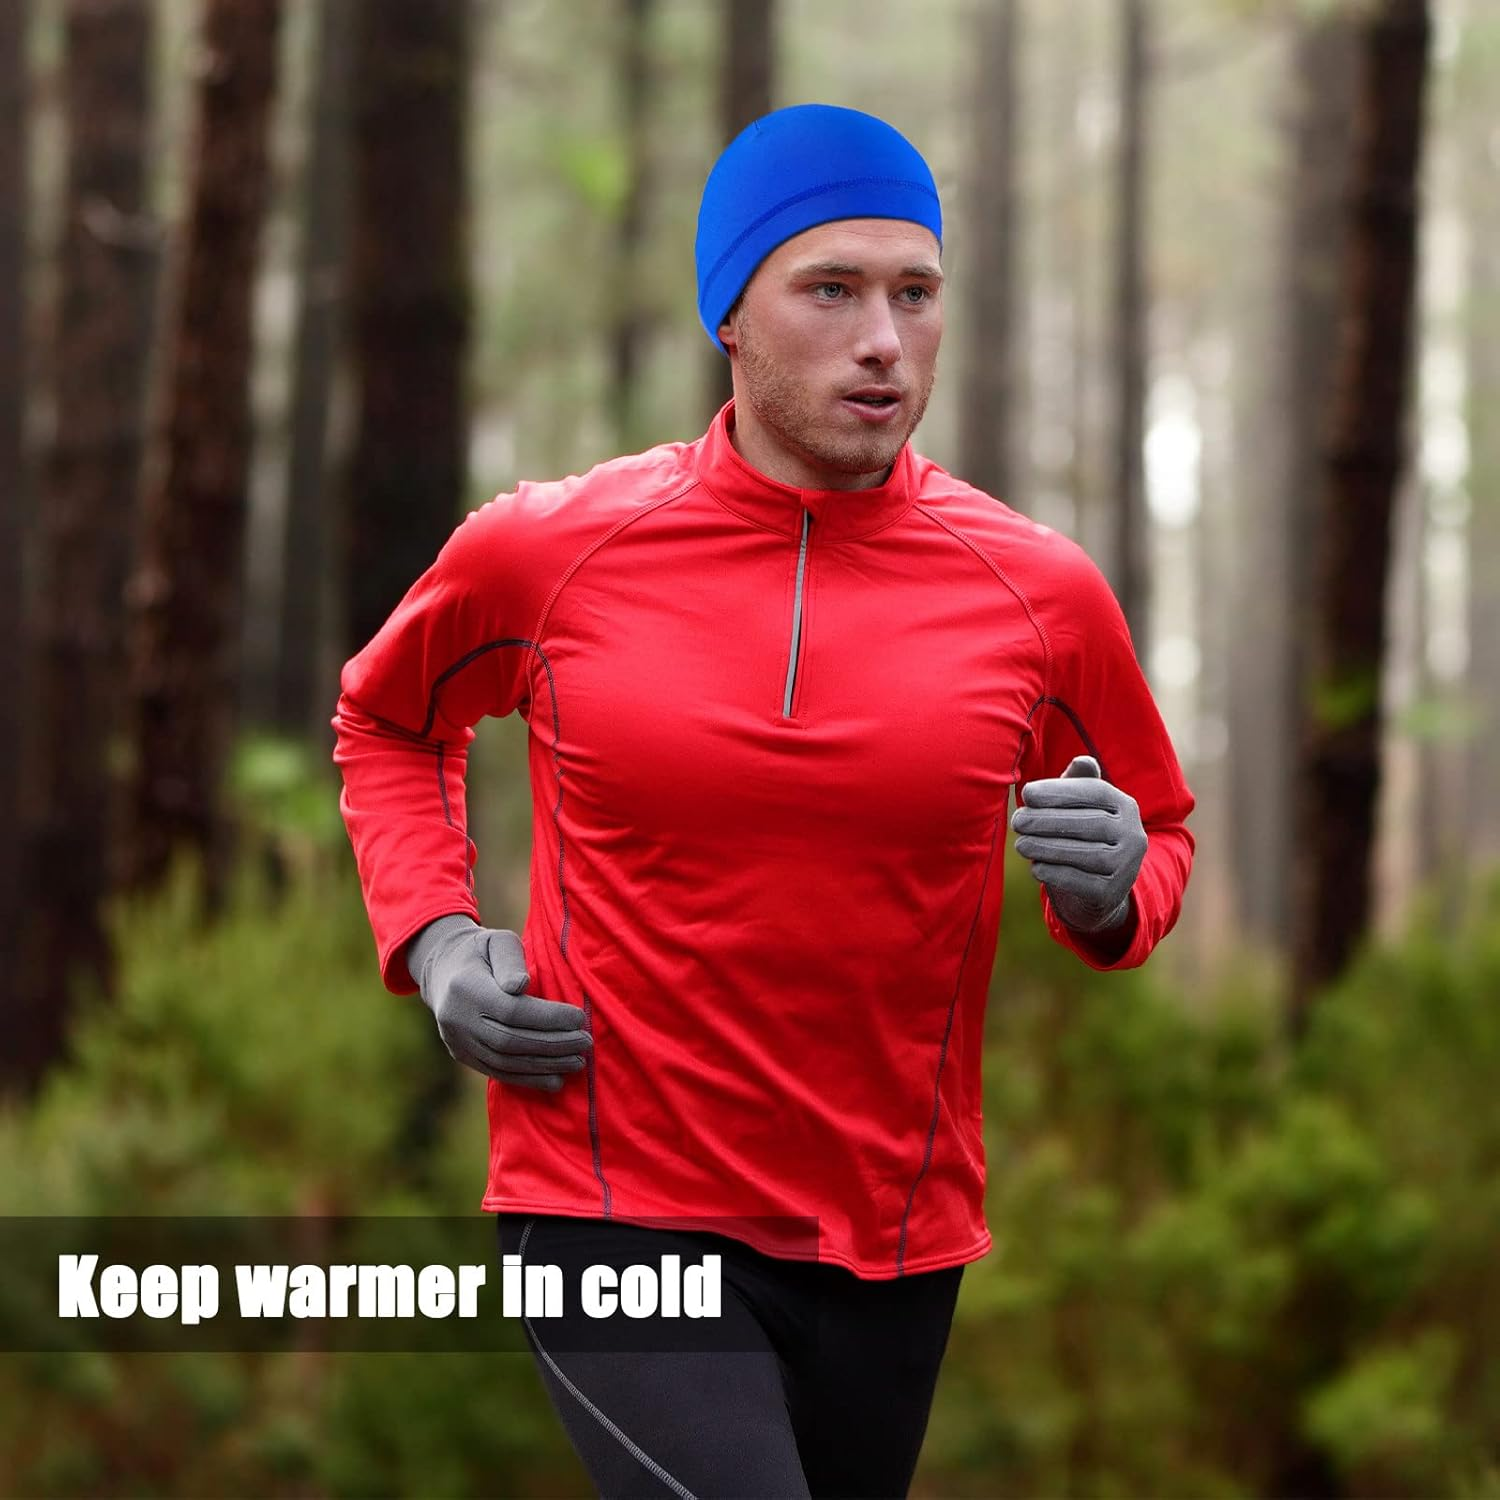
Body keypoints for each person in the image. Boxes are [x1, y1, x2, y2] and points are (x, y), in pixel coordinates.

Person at [332, 103, 1194, 1499]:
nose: (885, 340)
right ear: (729, 313)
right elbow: (386, 716)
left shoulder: (1037, 594)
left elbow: (1159, 832)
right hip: (610, 1201)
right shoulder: (551, 553)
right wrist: (436, 941)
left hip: (893, 1237)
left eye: (916, 293)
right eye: (831, 290)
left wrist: (1113, 888)